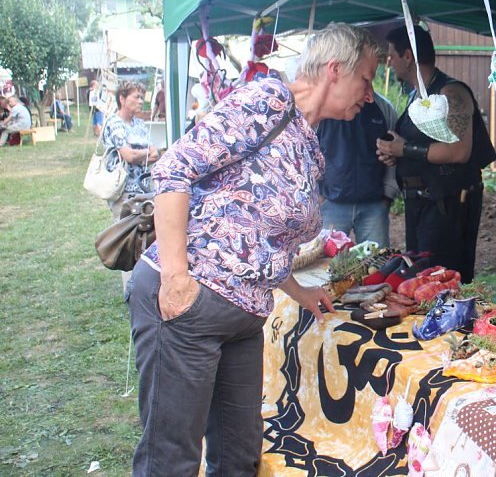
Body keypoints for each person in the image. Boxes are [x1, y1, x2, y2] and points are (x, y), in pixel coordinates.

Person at [126, 23, 378, 476]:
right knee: (172, 459)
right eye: (367, 79)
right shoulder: (266, 100)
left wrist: (297, 290)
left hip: (242, 317)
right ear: (335, 70)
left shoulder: (306, 138)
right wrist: (177, 279)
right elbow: (172, 171)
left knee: (240, 458)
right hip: (191, 304)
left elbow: (259, 233)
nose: (371, 94)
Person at [376, 25, 496, 284]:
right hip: (420, 204)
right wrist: (397, 154)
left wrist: (404, 149)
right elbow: (425, 145)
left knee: (442, 282)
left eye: (391, 56)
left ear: (408, 56)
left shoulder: (452, 92)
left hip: (448, 207)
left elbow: (458, 151)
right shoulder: (417, 93)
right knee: (419, 279)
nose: (389, 63)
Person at [316, 89, 399, 245]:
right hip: (331, 205)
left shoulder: (383, 107)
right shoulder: (324, 107)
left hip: (374, 206)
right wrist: (317, 196)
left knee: (377, 265)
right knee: (324, 266)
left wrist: (388, 194)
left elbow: (394, 152)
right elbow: (308, 151)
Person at [102, 82, 159, 220]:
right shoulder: (114, 123)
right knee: (124, 235)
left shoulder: (139, 124)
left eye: (141, 98)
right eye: (136, 97)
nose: (140, 102)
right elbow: (128, 155)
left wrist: (137, 153)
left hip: (144, 188)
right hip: (123, 191)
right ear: (122, 99)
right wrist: (145, 153)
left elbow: (155, 153)